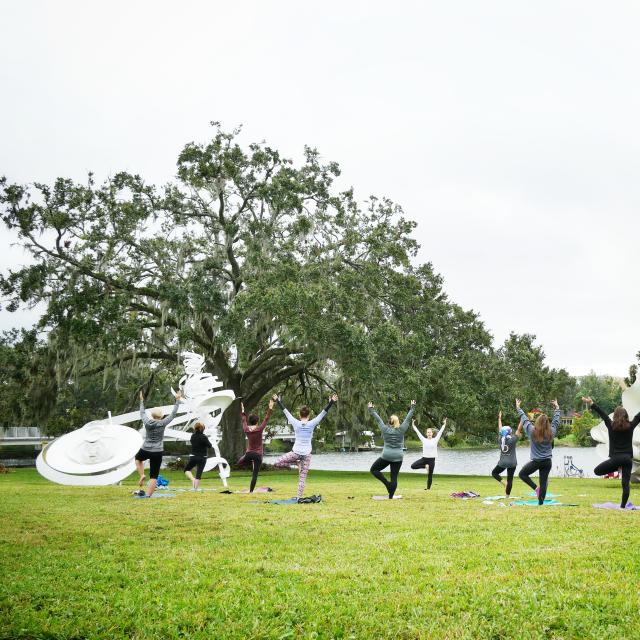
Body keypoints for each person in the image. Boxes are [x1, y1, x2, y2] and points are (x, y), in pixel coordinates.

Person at [273, 393, 338, 501]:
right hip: (307, 455)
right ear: (309, 415)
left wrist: (277, 401)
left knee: (277, 463)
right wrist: (331, 401)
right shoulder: (312, 423)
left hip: (296, 452)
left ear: (299, 415)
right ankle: (298, 497)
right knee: (302, 478)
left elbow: (285, 412)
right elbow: (323, 413)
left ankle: (296, 464)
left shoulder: (295, 422)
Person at [583, 396, 640, 509]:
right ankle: (623, 506)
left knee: (597, 471)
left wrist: (592, 403)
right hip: (627, 460)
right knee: (625, 484)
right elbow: (639, 416)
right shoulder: (631, 426)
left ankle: (617, 467)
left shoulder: (611, 425)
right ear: (626, 416)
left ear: (615, 416)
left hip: (616, 459)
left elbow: (602, 414)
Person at [135, 390, 182, 497]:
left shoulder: (147, 422)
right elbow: (173, 414)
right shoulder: (163, 422)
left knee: (138, 459)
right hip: (157, 451)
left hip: (146, 448)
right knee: (154, 476)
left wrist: (141, 401)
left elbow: (142, 412)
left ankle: (142, 475)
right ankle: (148, 495)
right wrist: (177, 400)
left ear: (151, 415)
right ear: (161, 416)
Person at [368, 400, 416, 499]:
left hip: (386, 455)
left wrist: (371, 409)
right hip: (398, 456)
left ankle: (387, 484)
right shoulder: (401, 429)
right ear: (397, 421)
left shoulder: (385, 429)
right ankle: (391, 496)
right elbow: (408, 419)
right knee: (394, 477)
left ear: (389, 422)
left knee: (374, 469)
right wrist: (413, 407)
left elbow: (378, 420)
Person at [516, 398, 561, 505]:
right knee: (543, 482)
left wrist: (518, 408)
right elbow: (556, 421)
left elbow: (525, 419)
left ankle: (536, 489)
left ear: (537, 422)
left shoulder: (532, 431)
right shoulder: (552, 432)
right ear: (547, 424)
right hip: (547, 462)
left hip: (536, 461)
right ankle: (540, 502)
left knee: (522, 474)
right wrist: (557, 408)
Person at [237, 398, 274, 492]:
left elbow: (243, 420)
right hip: (258, 455)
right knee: (255, 474)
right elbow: (266, 419)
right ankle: (251, 491)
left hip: (249, 453)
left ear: (250, 422)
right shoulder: (260, 429)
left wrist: (242, 410)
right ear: (257, 422)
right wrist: (270, 407)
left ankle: (249, 461)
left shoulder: (246, 429)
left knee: (239, 463)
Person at [490, 411, 522, 496]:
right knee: (510, 479)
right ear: (510, 432)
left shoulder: (500, 439)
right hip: (512, 463)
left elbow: (500, 428)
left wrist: (499, 418)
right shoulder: (513, 439)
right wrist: (522, 419)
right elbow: (519, 429)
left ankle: (503, 482)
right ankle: (507, 496)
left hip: (503, 462)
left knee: (494, 473)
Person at [410, 417, 447, 489]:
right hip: (424, 459)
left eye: (430, 432)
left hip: (432, 460)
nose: (429, 433)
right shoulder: (423, 439)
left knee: (430, 475)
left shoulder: (435, 439)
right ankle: (425, 466)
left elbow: (441, 432)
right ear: (426, 434)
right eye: (428, 432)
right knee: (413, 466)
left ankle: (428, 489)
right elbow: (417, 432)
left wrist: (444, 424)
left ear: (432, 433)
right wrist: (413, 425)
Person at [184, 422, 213, 491]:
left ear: (195, 428)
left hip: (193, 456)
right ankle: (195, 489)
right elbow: (210, 446)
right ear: (203, 429)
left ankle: (192, 479)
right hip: (202, 457)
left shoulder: (192, 436)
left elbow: (193, 442)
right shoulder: (204, 437)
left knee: (186, 469)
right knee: (199, 473)